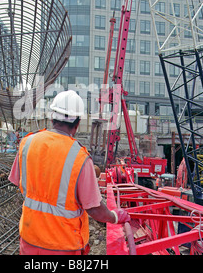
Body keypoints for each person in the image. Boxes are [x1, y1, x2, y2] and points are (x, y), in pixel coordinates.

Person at [8, 90, 130, 255]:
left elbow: (19, 182)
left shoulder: (27, 143)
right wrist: (115, 216)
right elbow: (94, 209)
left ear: (52, 118)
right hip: (62, 246)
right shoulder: (79, 157)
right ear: (77, 123)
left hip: (29, 240)